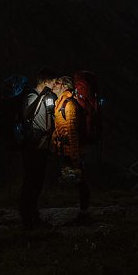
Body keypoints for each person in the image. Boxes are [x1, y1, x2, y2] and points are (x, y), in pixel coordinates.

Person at [20, 68, 59, 229]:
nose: (55, 84)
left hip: (42, 145)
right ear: (45, 82)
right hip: (33, 146)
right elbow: (26, 114)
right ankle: (28, 217)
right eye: (53, 81)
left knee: (37, 181)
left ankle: (32, 215)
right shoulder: (31, 95)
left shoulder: (46, 97)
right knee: (32, 181)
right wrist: (41, 96)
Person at [52, 76, 92, 225]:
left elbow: (73, 133)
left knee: (80, 180)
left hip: (74, 151)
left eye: (57, 83)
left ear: (64, 86)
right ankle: (81, 211)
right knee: (76, 181)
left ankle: (84, 212)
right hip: (67, 151)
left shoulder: (68, 105)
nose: (54, 85)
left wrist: (75, 158)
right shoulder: (61, 103)